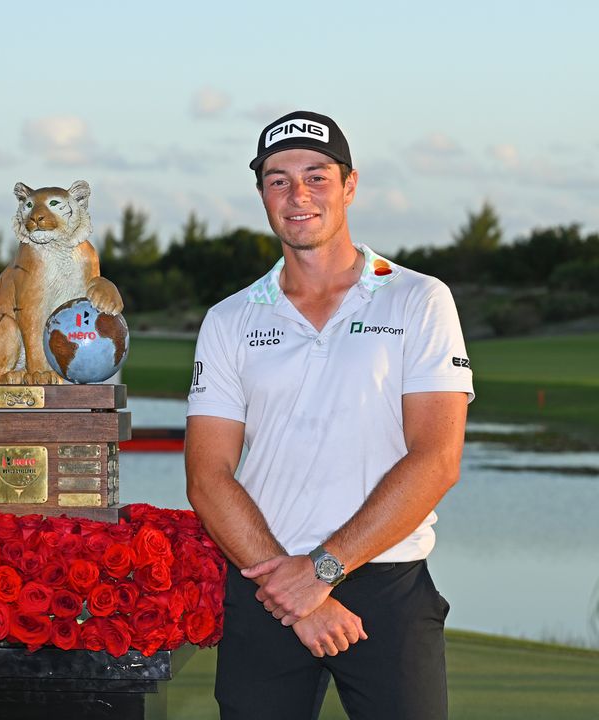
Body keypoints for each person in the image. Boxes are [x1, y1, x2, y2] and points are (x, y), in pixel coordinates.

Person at [185, 110, 473, 720]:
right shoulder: (230, 319)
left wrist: (322, 572)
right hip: (265, 587)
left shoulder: (418, 298)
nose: (298, 196)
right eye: (278, 179)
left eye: (316, 176)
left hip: (387, 585)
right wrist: (298, 595)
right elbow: (208, 476)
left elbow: (437, 458)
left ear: (350, 185)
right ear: (261, 192)